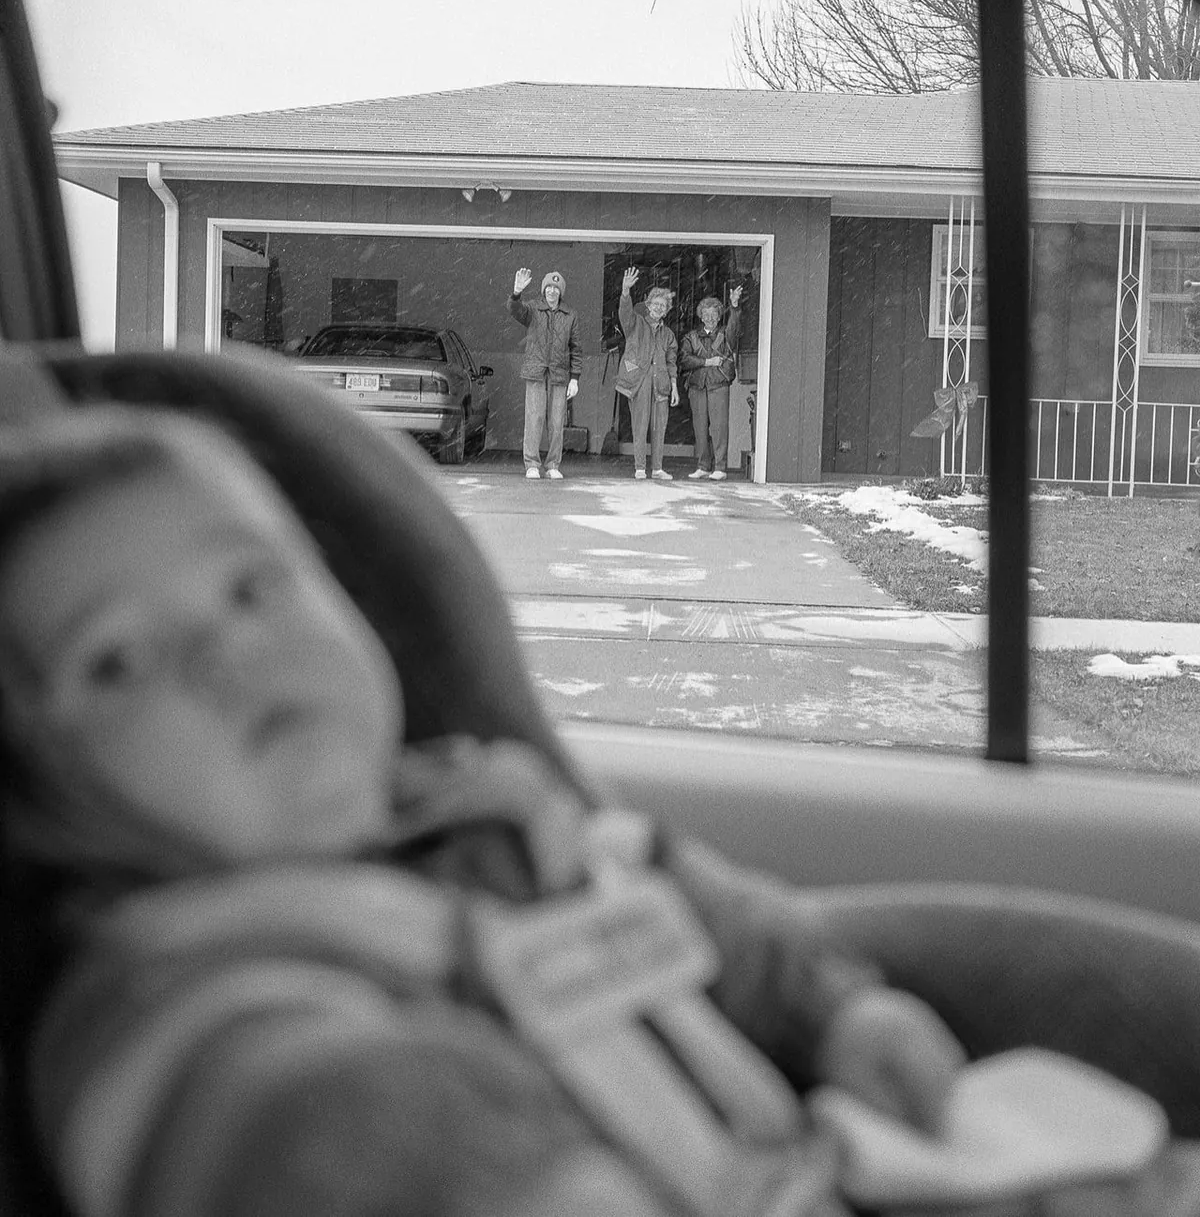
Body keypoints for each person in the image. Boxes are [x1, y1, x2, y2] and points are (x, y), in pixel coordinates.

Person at [0, 406, 987, 1217]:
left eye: (254, 584)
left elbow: (676, 901)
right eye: (116, 660)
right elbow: (298, 1116)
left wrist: (836, 1010)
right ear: (41, 791)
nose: (227, 651)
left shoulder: (492, 809)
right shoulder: (173, 992)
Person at [507, 267, 580, 480]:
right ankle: (531, 463)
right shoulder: (532, 309)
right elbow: (515, 310)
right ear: (543, 290)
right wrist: (516, 293)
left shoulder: (570, 315)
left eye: (556, 288)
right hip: (536, 372)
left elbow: (576, 347)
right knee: (534, 418)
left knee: (557, 421)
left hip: (559, 373)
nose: (551, 291)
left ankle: (553, 464)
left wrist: (575, 378)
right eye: (548, 287)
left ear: (561, 292)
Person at [616, 268, 678, 481]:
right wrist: (626, 291)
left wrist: (674, 385)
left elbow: (671, 362)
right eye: (656, 304)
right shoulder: (635, 323)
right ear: (648, 305)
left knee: (659, 428)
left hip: (661, 383)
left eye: (664, 305)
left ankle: (658, 468)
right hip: (639, 381)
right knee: (640, 426)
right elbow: (624, 312)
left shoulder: (668, 334)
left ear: (667, 310)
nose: (659, 308)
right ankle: (640, 468)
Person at [679, 287, 744, 481]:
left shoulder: (726, 334)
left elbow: (734, 327)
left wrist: (734, 306)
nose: (710, 318)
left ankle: (721, 468)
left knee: (719, 427)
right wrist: (706, 362)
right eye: (705, 314)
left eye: (714, 314)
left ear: (719, 315)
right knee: (699, 428)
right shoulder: (691, 337)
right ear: (701, 316)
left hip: (718, 384)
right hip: (697, 385)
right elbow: (684, 360)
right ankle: (703, 466)